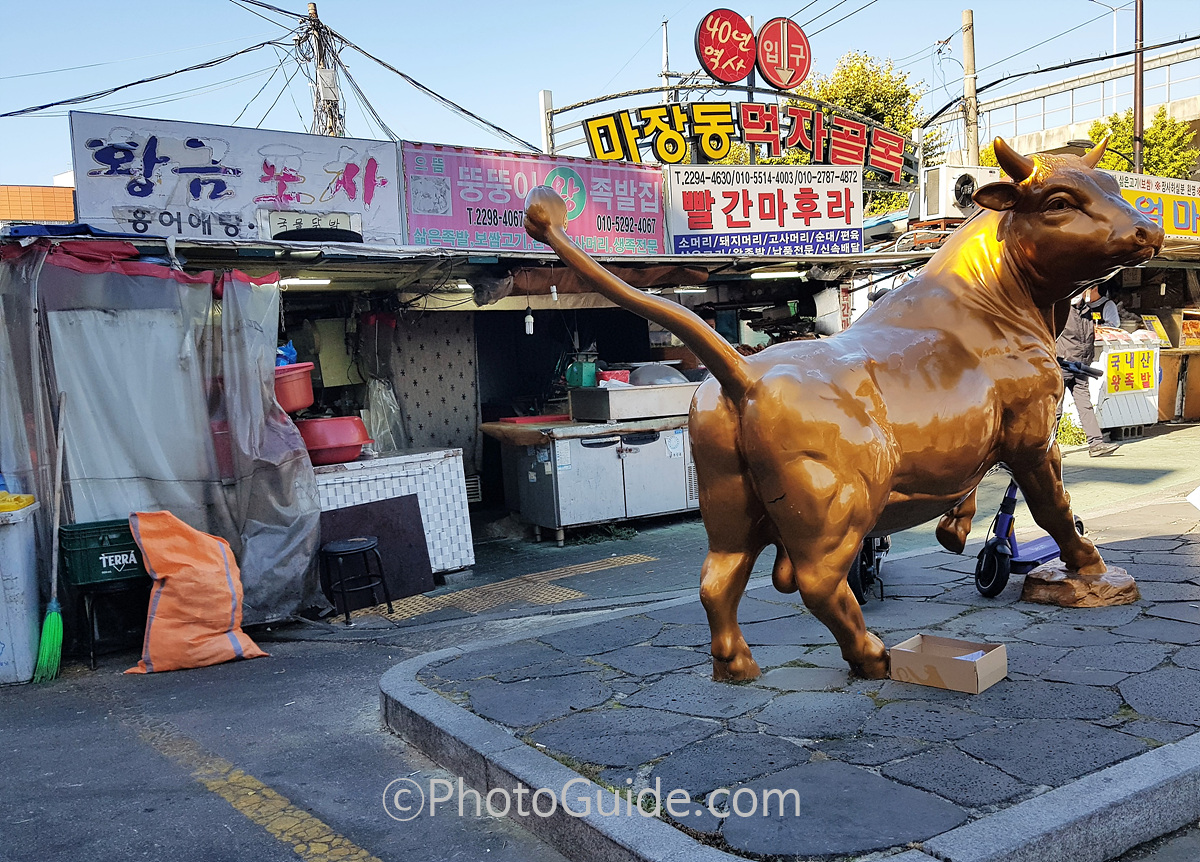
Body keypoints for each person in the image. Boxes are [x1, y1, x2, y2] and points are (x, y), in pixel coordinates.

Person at [1056, 292, 1119, 457]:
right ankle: (1049, 446)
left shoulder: (1086, 310)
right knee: (1056, 408)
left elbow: (1087, 338)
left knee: (1085, 405)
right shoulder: (1060, 311)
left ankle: (1096, 444)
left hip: (1081, 366)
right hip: (1062, 364)